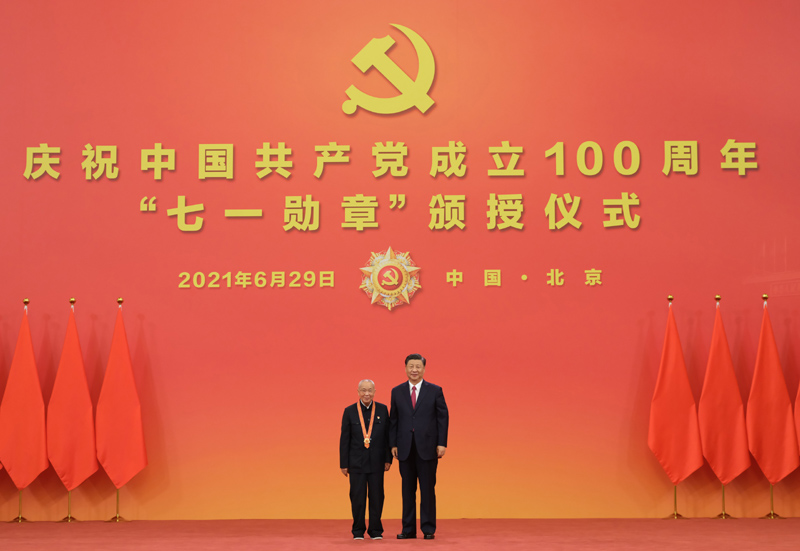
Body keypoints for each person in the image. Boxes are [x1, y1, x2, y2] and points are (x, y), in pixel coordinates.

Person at [390, 354, 449, 540]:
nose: (414, 370)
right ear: (405, 368)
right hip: (405, 448)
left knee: (427, 490)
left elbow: (443, 418)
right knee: (407, 491)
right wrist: (393, 443)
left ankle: (428, 528)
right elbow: (394, 420)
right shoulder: (397, 391)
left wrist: (441, 443)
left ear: (424, 369)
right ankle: (408, 529)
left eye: (418, 366)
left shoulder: (435, 390)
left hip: (428, 447)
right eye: (411, 366)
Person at [340, 379, 392, 540]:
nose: (367, 393)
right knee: (357, 497)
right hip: (356, 463)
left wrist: (388, 458)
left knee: (377, 497)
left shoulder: (382, 410)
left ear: (375, 392)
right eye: (363, 390)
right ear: (358, 392)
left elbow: (388, 436)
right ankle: (358, 531)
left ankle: (376, 530)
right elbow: (344, 439)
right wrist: (344, 464)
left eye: (370, 390)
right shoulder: (349, 411)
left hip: (377, 462)